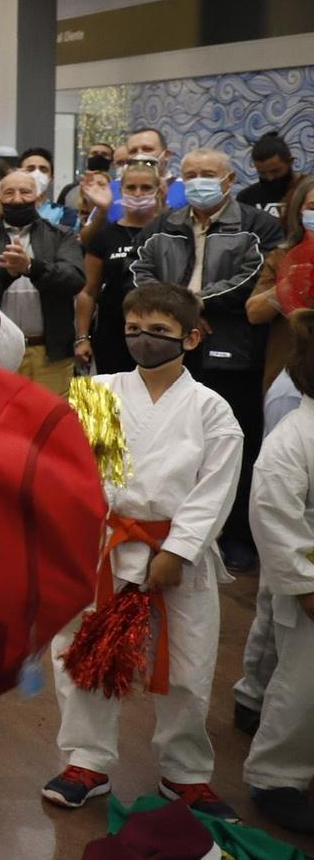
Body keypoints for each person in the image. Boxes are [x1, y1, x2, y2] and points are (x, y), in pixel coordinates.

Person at [42, 282, 242, 821]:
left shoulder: (212, 409)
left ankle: (185, 771)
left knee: (187, 665)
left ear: (192, 337)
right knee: (84, 654)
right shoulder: (99, 392)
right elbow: (78, 475)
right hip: (105, 544)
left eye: (160, 332)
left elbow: (215, 488)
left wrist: (177, 551)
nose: (144, 340)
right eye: (134, 330)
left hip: (179, 554)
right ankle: (86, 760)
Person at [132, 148, 285, 573]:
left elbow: (253, 277)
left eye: (208, 174)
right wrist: (176, 311)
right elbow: (141, 269)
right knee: (174, 437)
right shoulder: (165, 223)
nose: (198, 180)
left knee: (234, 441)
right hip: (171, 342)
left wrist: (193, 304)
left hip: (232, 345)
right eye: (191, 174)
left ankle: (236, 536)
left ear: (230, 179)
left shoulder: (259, 225)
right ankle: (173, 526)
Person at [242, 310, 314, 833]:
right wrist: (306, 584)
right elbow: (275, 515)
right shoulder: (295, 434)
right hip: (309, 574)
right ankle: (276, 777)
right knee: (303, 681)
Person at [0, 169, 85, 394]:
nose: (17, 199)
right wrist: (6, 273)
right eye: (9, 193)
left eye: (25, 192)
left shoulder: (61, 234)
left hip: (50, 352)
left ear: (39, 199)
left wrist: (30, 267)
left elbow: (74, 278)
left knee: (49, 421)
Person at [75, 160, 164, 376]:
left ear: (158, 191)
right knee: (98, 406)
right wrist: (82, 338)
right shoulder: (104, 235)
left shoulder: (169, 231)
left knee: (151, 402)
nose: (138, 193)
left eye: (146, 188)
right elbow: (88, 292)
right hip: (110, 332)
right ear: (121, 190)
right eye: (131, 188)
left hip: (161, 333)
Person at [247, 173, 314, 392]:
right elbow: (254, 313)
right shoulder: (282, 256)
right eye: (312, 207)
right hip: (288, 375)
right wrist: (287, 285)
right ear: (299, 212)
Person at [239, 132, 298, 220]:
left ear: (290, 162)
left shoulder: (308, 192)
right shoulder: (246, 197)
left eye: (275, 171)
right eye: (262, 173)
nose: (270, 178)